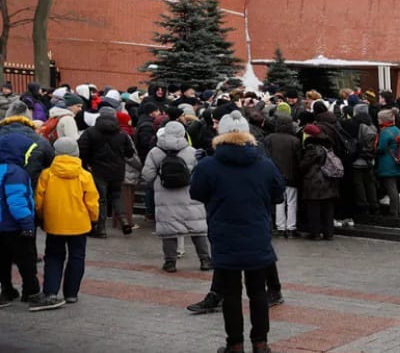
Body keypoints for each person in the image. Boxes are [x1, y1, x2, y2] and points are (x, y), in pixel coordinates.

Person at [189, 110, 285, 353]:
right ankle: (261, 343)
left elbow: (196, 192)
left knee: (231, 293)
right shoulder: (264, 164)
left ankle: (235, 344)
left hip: (224, 235)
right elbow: (278, 194)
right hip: (257, 234)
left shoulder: (209, 165)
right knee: (258, 292)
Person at [29, 138, 98, 310]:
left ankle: (51, 292)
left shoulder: (47, 174)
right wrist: (93, 218)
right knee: (77, 257)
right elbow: (92, 201)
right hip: (79, 224)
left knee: (53, 257)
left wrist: (42, 216)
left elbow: (39, 201)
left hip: (54, 223)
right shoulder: (84, 175)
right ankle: (71, 293)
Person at [142, 121, 211, 272]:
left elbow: (147, 175)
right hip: (190, 196)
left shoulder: (155, 152)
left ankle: (170, 262)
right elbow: (202, 175)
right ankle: (205, 260)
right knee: (197, 229)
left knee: (169, 230)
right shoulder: (192, 152)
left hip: (165, 197)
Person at [78, 108, 135, 239]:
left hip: (97, 170)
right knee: (116, 195)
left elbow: (82, 150)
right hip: (117, 170)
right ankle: (124, 221)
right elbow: (130, 153)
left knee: (100, 199)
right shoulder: (121, 133)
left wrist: (86, 165)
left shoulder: (90, 132)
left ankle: (101, 228)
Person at [0, 139, 39, 307]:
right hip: (13, 225)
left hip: (1, 225)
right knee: (26, 260)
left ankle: (6, 291)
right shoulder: (15, 172)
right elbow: (17, 202)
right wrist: (27, 224)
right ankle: (31, 292)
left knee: (2, 261)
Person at [299, 124, 341, 240]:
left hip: (315, 180)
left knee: (314, 208)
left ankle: (315, 233)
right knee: (328, 208)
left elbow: (305, 164)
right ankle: (329, 233)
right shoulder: (328, 144)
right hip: (329, 179)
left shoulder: (312, 147)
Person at [264, 115, 301, 237]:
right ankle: (291, 227)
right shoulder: (295, 140)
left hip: (275, 175)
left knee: (279, 202)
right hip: (291, 175)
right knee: (291, 202)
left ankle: (280, 227)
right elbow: (298, 159)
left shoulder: (269, 138)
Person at [375, 109, 400, 217]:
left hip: (387, 163)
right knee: (394, 188)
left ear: (383, 120)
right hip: (397, 162)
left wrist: (374, 149)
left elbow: (381, 148)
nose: (377, 120)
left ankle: (394, 212)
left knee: (391, 188)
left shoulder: (385, 132)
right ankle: (398, 211)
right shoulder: (397, 129)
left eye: (379, 118)